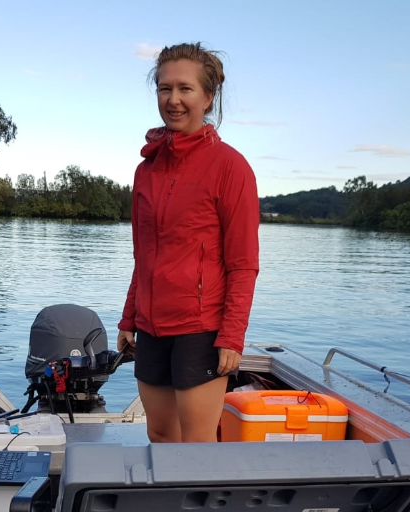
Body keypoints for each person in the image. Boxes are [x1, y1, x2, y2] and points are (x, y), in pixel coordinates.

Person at [117, 42, 260, 443]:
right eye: (165, 89)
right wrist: (129, 319)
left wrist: (232, 336)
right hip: (151, 326)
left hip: (201, 328)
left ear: (208, 97)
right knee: (161, 434)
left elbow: (243, 263)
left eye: (185, 89)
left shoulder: (230, 167)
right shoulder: (146, 170)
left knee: (197, 443)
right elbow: (143, 256)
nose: (173, 100)